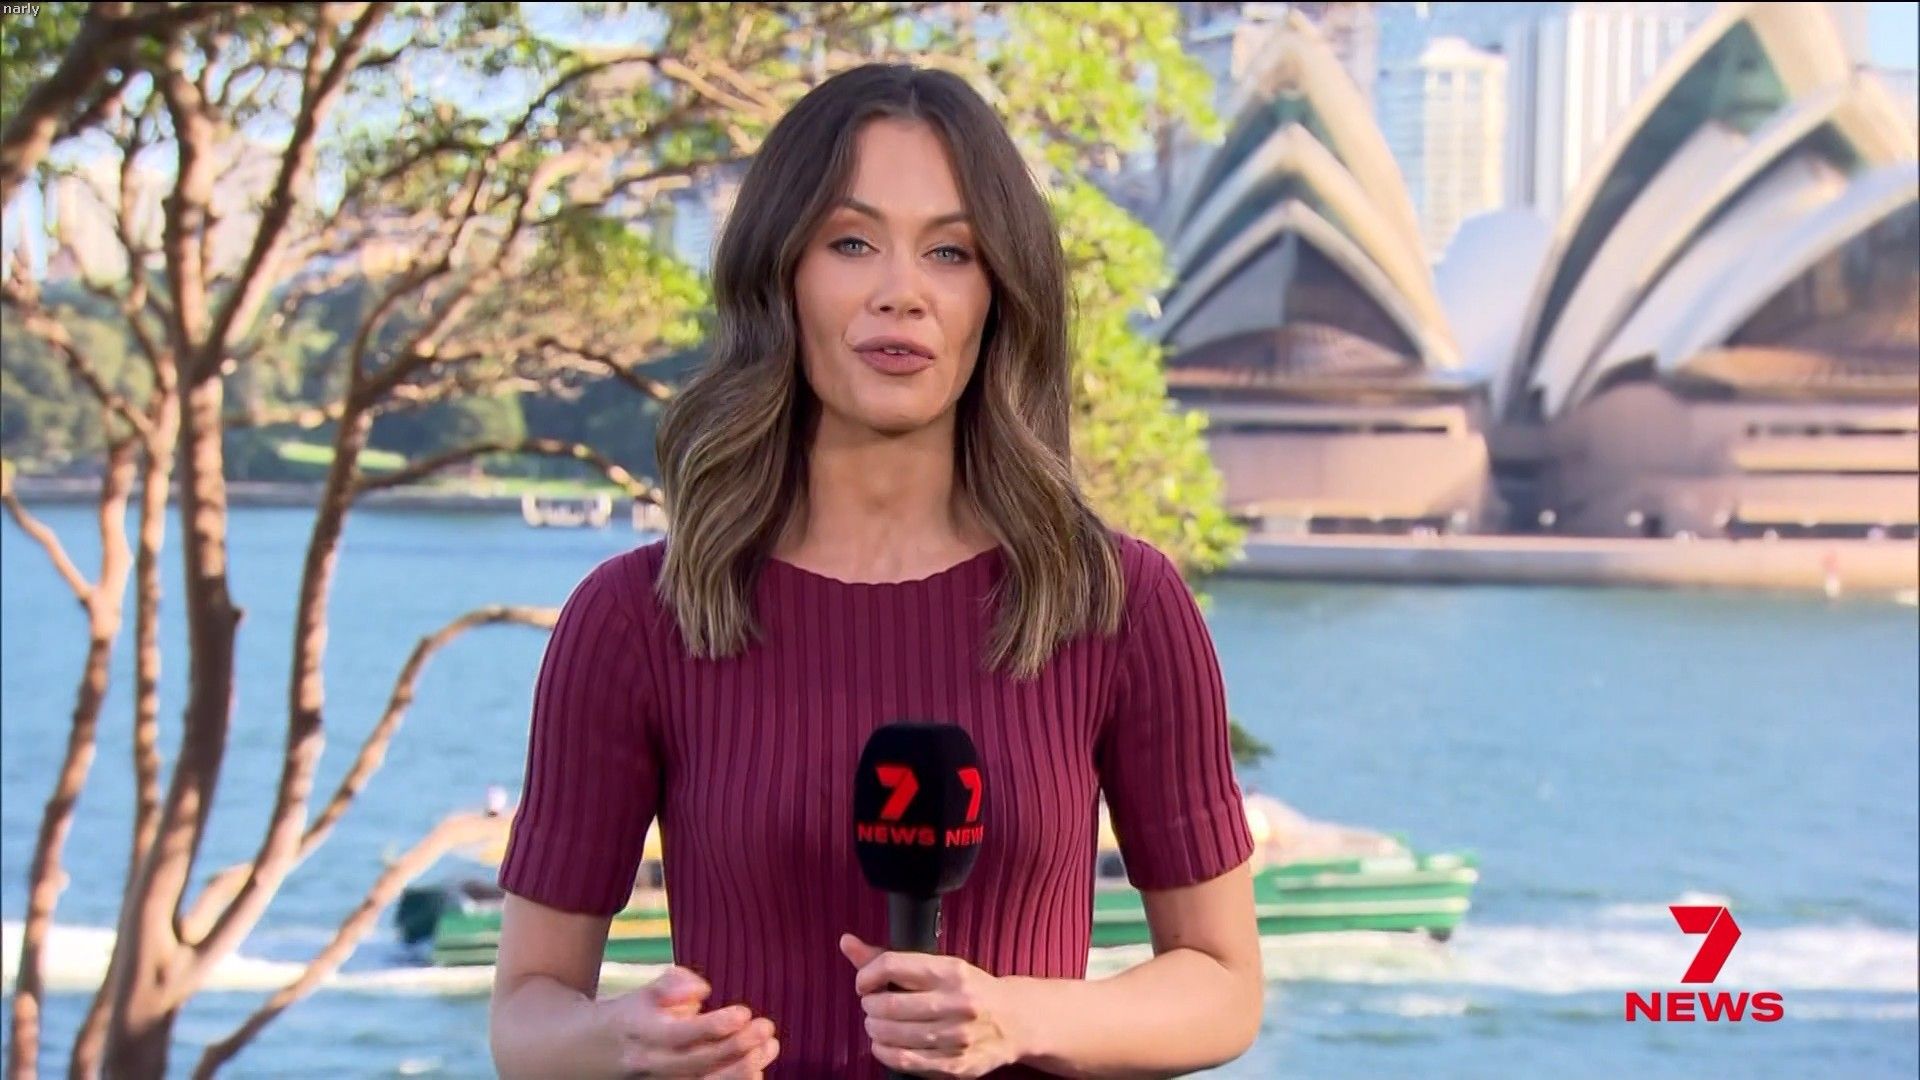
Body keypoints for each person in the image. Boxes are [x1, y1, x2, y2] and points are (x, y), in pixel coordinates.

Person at [487, 63, 1262, 1079]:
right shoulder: (636, 618)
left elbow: (1223, 985)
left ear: (997, 295)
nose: (902, 292)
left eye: (950, 252)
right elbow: (525, 1021)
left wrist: (1021, 1016)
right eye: (851, 243)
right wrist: (622, 1041)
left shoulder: (1117, 603)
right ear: (782, 276)